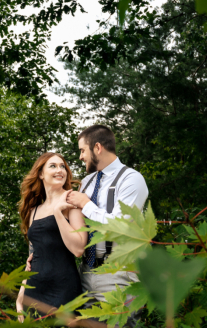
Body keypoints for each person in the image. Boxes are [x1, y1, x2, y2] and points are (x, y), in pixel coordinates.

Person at [67, 125, 149, 326]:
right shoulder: (86, 182)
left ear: (97, 148)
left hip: (120, 274)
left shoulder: (132, 180)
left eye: (82, 150)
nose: (80, 157)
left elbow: (119, 226)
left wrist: (86, 204)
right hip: (86, 272)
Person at [15, 152, 87, 321]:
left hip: (63, 289)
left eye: (63, 166)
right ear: (41, 174)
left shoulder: (72, 202)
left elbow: (78, 249)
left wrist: (58, 213)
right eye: (53, 166)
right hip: (34, 291)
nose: (59, 170)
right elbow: (33, 257)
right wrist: (20, 297)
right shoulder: (34, 211)